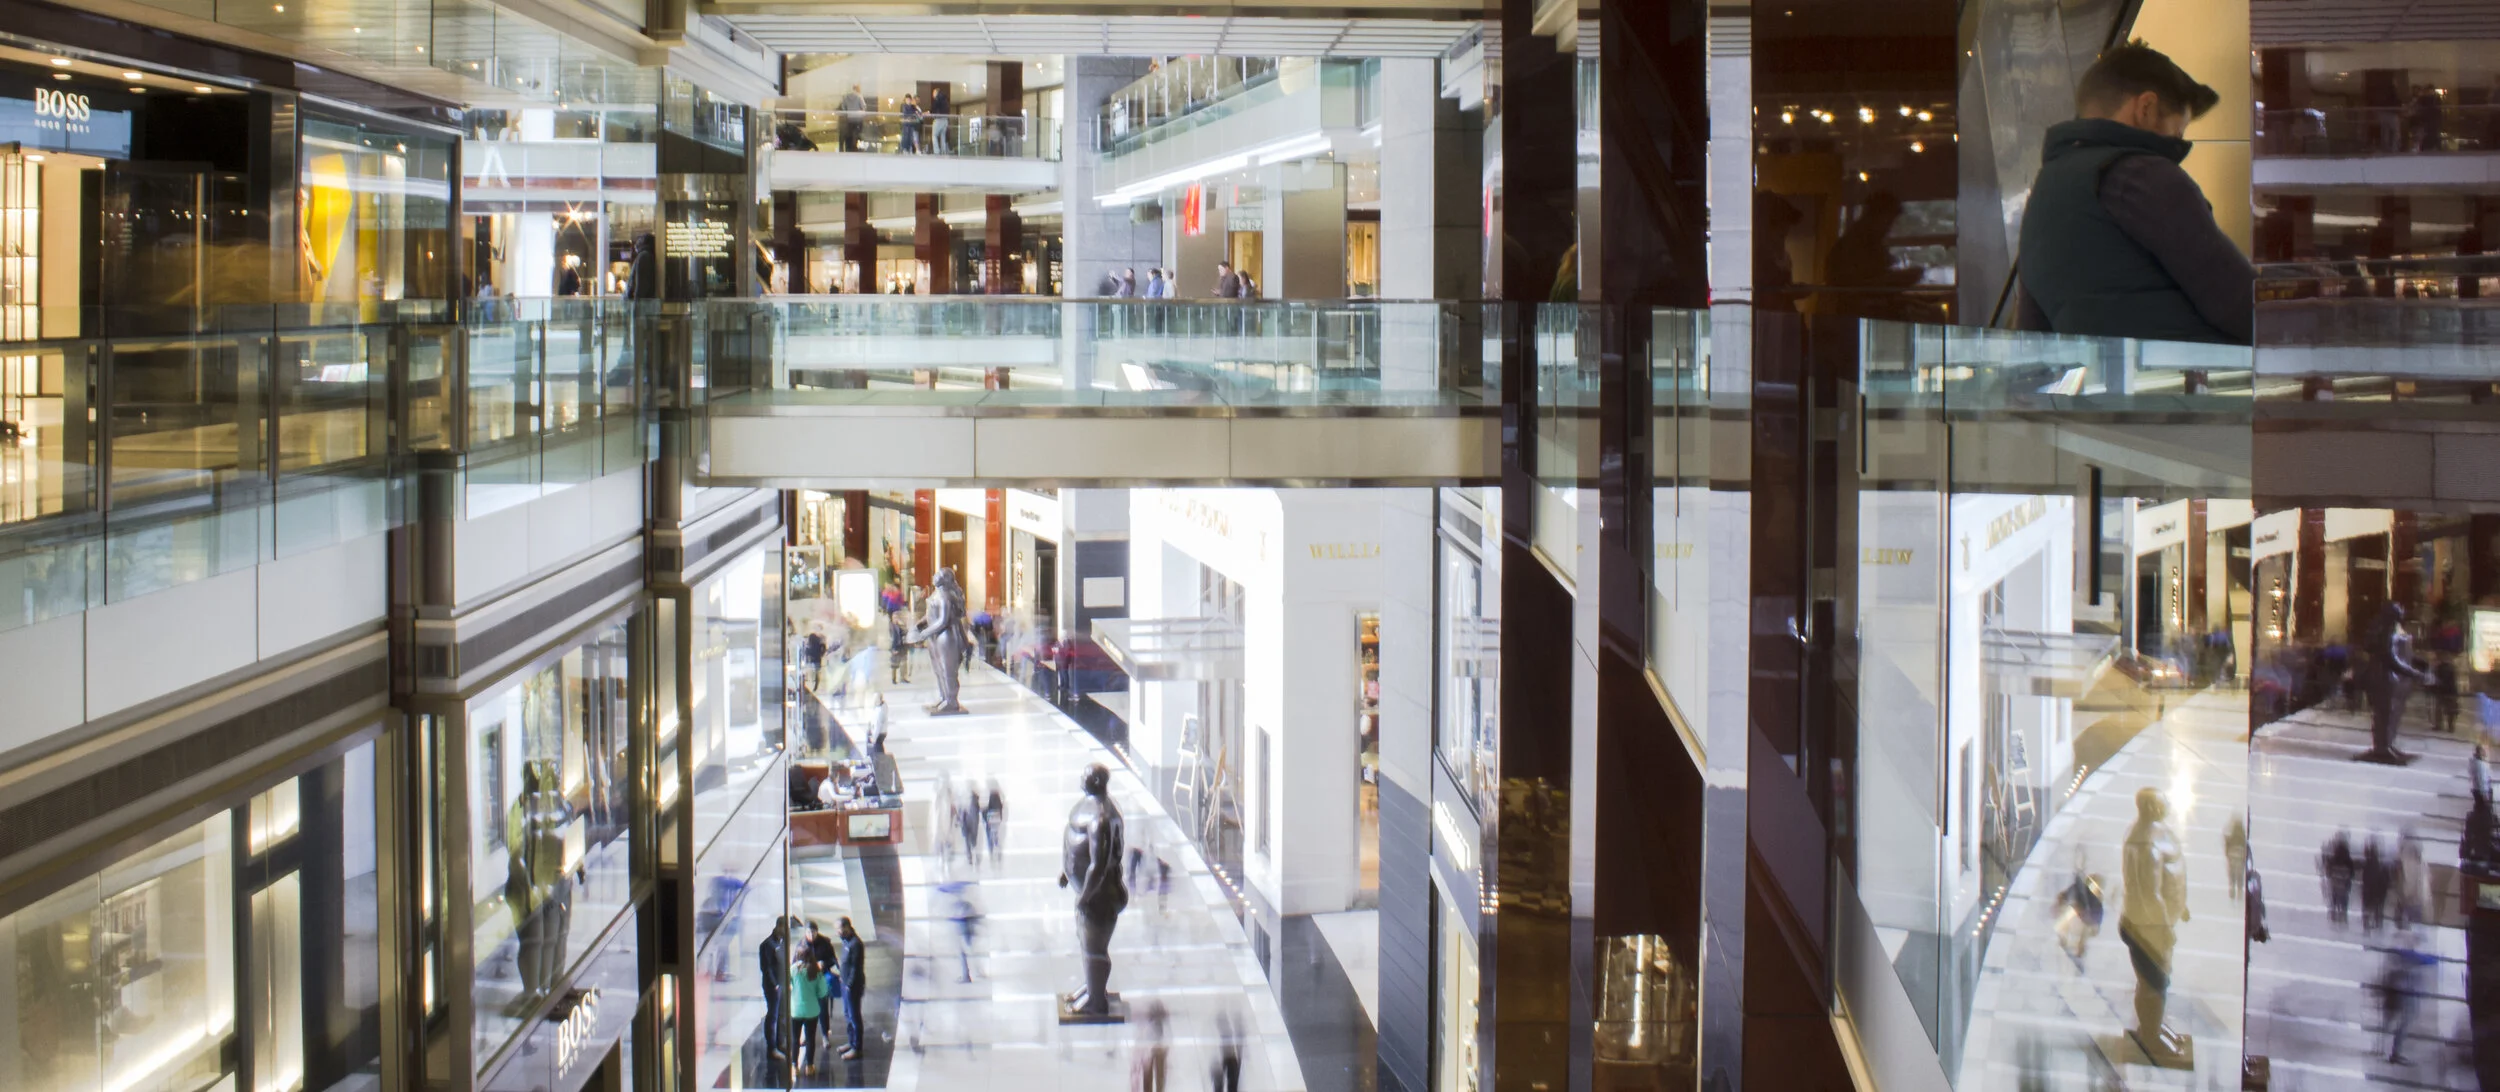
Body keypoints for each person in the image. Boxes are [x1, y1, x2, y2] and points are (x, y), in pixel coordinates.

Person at [2014, 41, 2253, 345]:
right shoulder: (2140, 174)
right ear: (2146, 108)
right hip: (2186, 382)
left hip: (2102, 386)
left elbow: (2031, 331)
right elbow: (2235, 299)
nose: (2177, 148)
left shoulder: (2044, 193)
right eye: (2177, 135)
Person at [2119, 786, 2190, 1063]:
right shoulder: (2144, 843)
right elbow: (2150, 893)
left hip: (2153, 924)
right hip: (2147, 927)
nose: (2167, 807)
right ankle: (2150, 1038)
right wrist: (2164, 928)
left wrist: (2180, 905)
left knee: (2153, 980)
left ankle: (2154, 1028)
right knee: (2154, 982)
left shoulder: (2154, 832)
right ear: (2150, 808)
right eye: (2162, 804)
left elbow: (2168, 877)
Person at [788, 951, 826, 1074]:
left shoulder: (793, 969)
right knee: (810, 1038)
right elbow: (823, 991)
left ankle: (794, 1066)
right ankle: (809, 1066)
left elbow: (788, 984)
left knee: (795, 1038)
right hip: (812, 1010)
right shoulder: (816, 971)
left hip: (796, 1010)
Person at [759, 918, 791, 1059]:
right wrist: (775, 984)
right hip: (773, 986)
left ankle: (780, 1042)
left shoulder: (782, 943)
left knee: (782, 1014)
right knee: (773, 1015)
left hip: (783, 984)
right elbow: (766, 968)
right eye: (784, 928)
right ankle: (772, 1047)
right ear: (778, 926)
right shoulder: (767, 945)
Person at [836, 917, 866, 1059]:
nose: (837, 932)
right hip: (845, 983)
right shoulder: (846, 942)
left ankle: (857, 1047)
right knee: (847, 1014)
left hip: (852, 986)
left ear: (846, 927)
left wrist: (849, 984)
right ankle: (851, 1041)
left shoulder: (855, 944)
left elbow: (856, 967)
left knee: (854, 1017)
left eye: (839, 929)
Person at [2322, 829, 2356, 927]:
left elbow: (2328, 872)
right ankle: (2343, 917)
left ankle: (2333, 916)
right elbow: (2351, 873)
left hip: (2335, 884)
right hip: (2344, 885)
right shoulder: (2348, 860)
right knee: (2344, 900)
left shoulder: (2333, 859)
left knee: (2334, 899)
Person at [2361, 835, 2390, 932]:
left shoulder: (2367, 864)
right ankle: (2378, 924)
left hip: (2368, 890)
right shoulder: (2378, 865)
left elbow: (2364, 878)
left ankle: (2367, 925)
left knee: (2367, 907)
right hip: (2377, 891)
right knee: (2378, 908)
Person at [2222, 813, 2248, 901]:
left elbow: (2226, 840)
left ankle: (2232, 890)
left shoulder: (2232, 832)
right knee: (2240, 874)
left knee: (2232, 873)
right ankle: (2239, 891)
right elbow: (2245, 844)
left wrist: (2227, 853)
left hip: (2232, 853)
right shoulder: (2242, 833)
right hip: (2240, 854)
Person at [626, 232, 658, 301]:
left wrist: (636, 305)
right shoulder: (646, 255)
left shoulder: (644, 256)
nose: (636, 243)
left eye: (640, 240)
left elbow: (641, 285)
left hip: (642, 304)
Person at [982, 780, 1006, 866]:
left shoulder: (991, 795)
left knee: (990, 837)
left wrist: (984, 811)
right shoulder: (999, 794)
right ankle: (998, 854)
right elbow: (1001, 806)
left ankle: (992, 855)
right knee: (996, 837)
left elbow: (987, 807)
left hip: (991, 818)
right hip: (996, 818)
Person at [839, 84, 867, 151]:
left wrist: (847, 113)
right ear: (857, 89)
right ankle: (857, 146)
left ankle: (849, 147)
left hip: (849, 118)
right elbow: (863, 106)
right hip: (858, 118)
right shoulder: (859, 96)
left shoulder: (846, 97)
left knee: (850, 133)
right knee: (858, 133)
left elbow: (843, 106)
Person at [930, 84, 953, 153]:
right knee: (943, 136)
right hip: (945, 120)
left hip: (938, 119)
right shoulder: (945, 99)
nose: (933, 95)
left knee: (934, 135)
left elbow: (934, 109)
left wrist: (929, 112)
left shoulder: (937, 99)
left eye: (933, 93)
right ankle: (944, 151)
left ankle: (937, 151)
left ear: (936, 93)